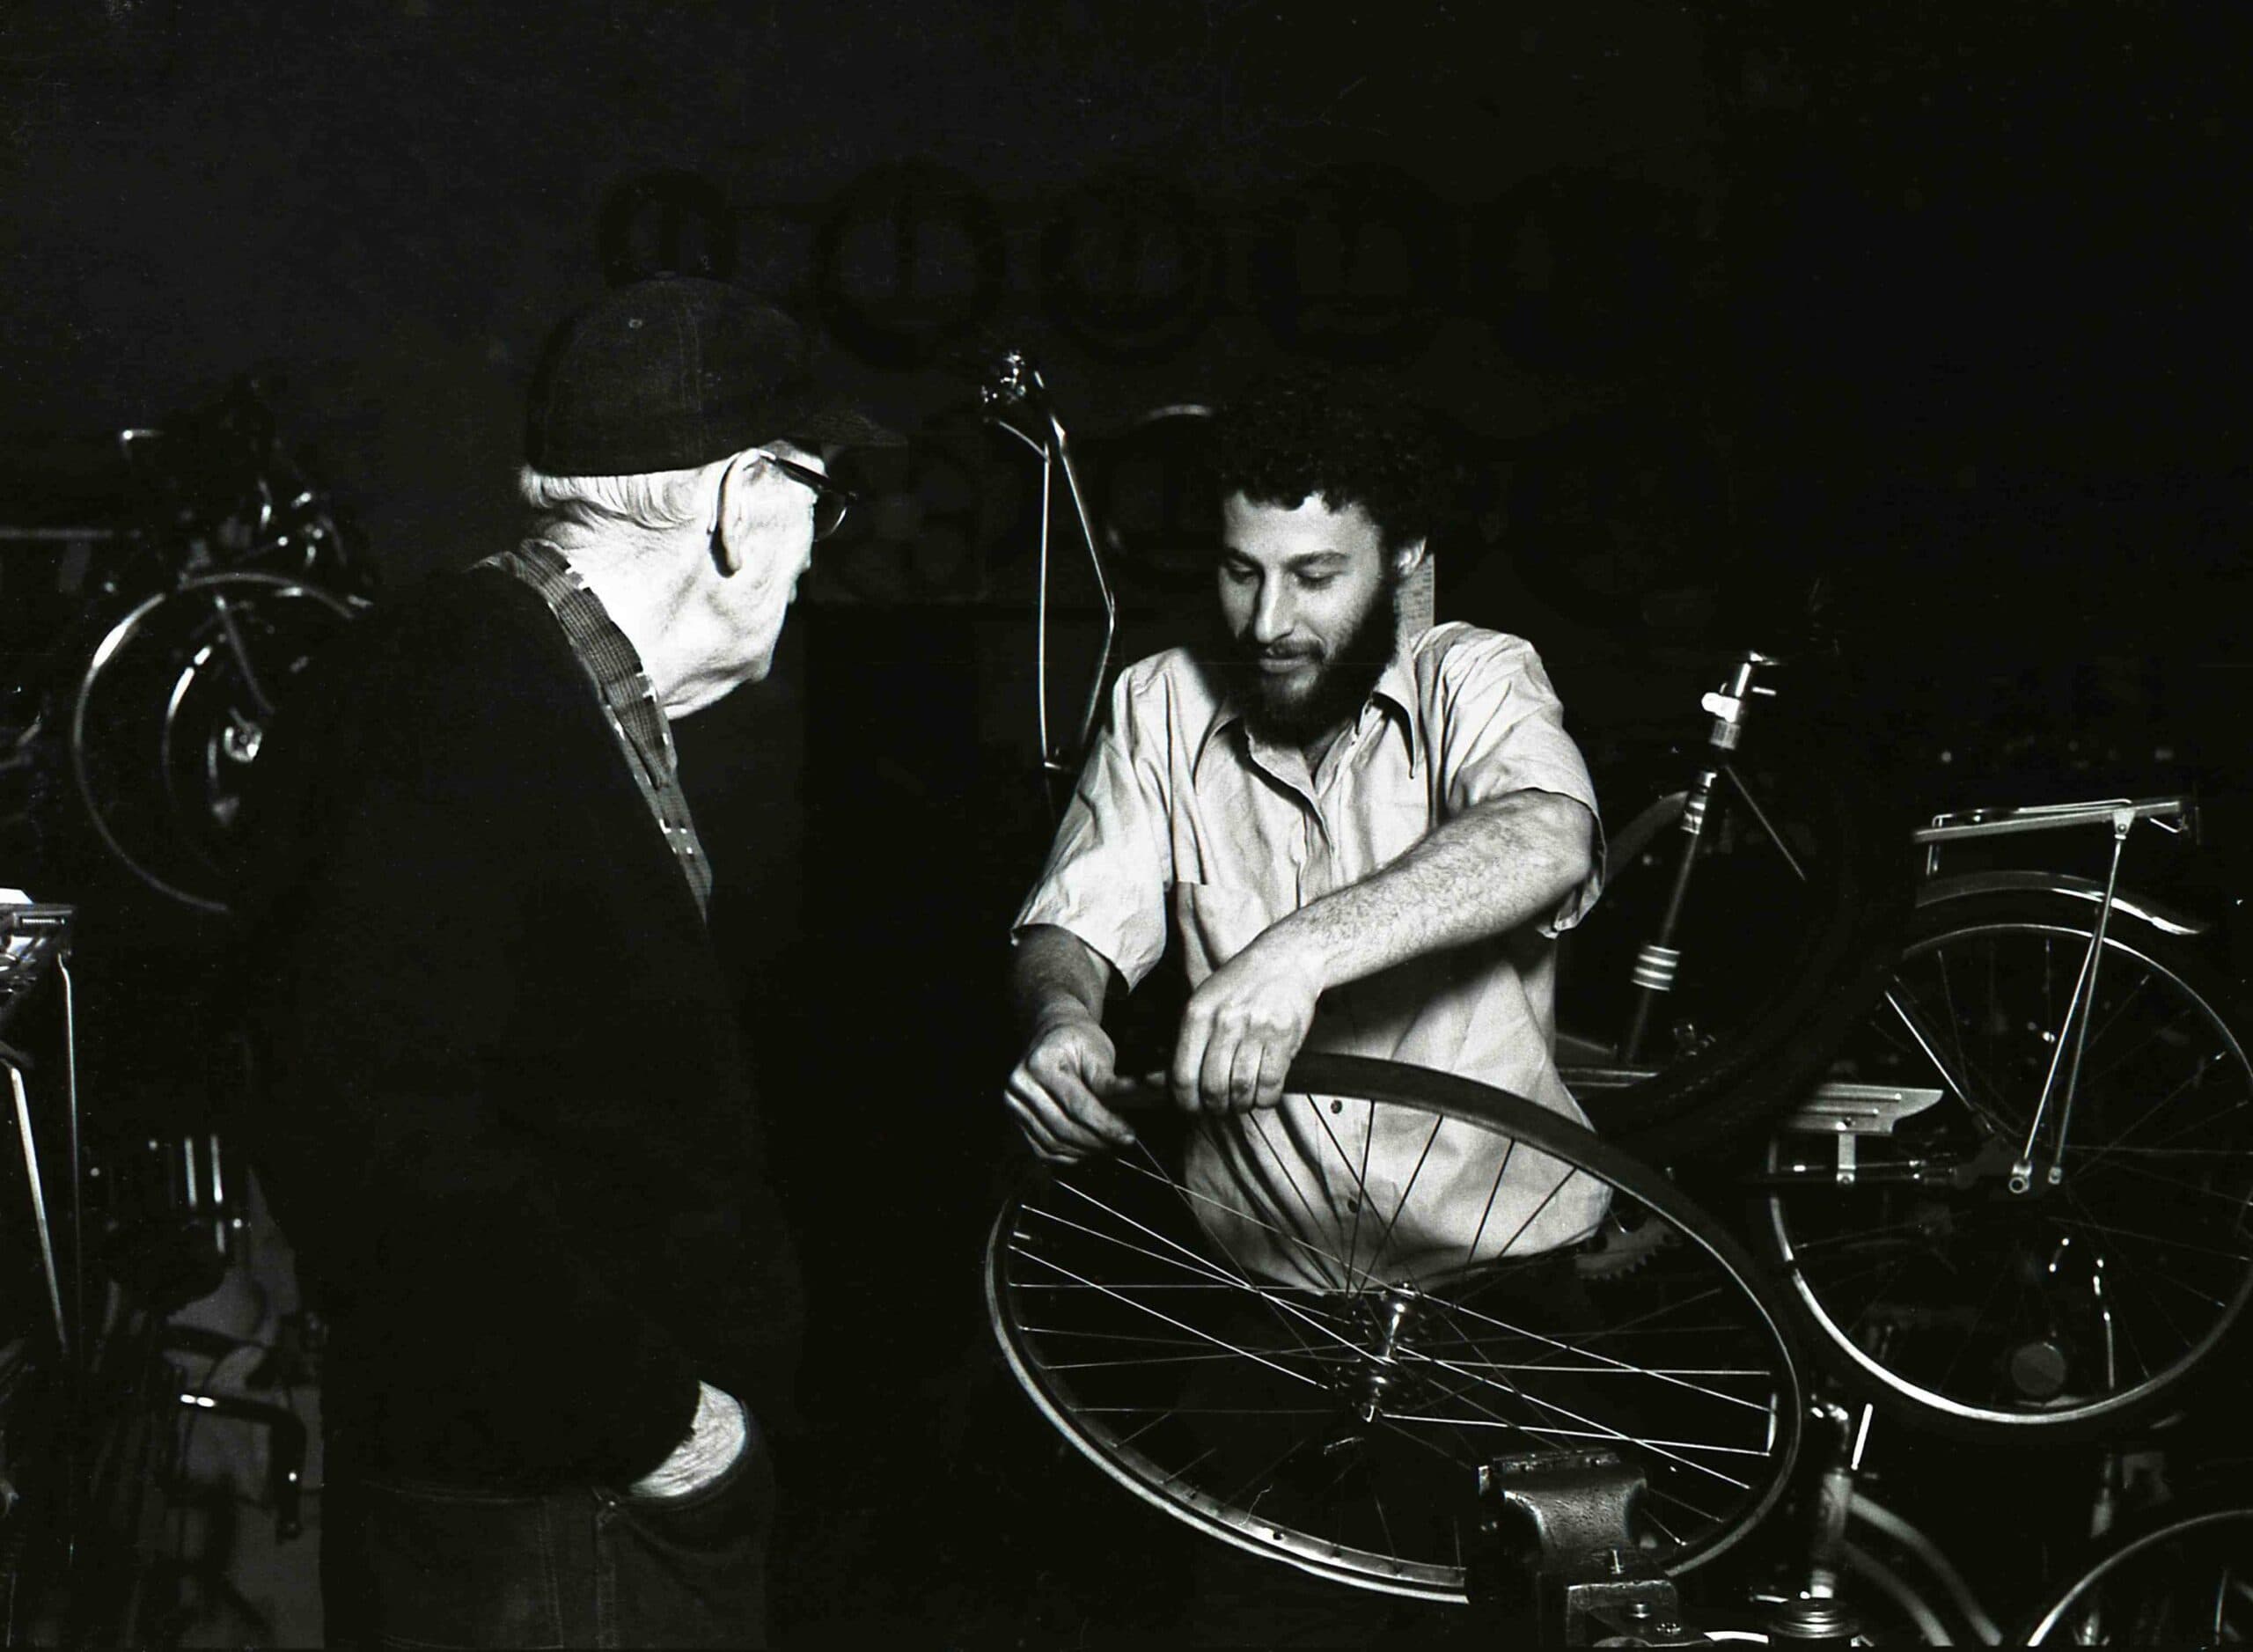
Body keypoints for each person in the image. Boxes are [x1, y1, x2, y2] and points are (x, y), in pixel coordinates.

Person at [234, 275, 896, 1648]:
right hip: (558, 1511)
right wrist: (666, 1428)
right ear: (737, 498)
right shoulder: (471, 697)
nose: (817, 554)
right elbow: (384, 1133)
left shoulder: (495, 673)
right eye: (819, 504)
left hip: (548, 1485)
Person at [1002, 367, 1608, 1287]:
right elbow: (1076, 915)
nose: (1268, 621)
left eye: (1315, 575)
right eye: (1242, 572)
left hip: (1504, 1265)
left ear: (1403, 555)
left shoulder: (1476, 676)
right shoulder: (1158, 699)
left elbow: (1545, 836)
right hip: (1263, 1277)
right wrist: (1062, 1018)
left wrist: (1296, 953)